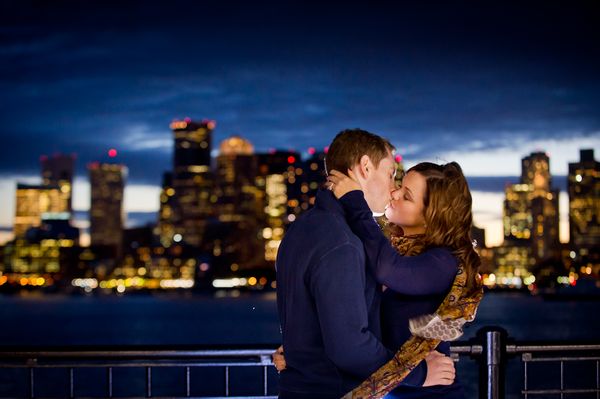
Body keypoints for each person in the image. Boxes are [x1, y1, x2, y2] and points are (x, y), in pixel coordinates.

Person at [275, 129, 456, 399]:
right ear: (365, 167)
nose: (393, 187)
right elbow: (350, 346)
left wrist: (297, 352)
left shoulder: (300, 230)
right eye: (390, 173)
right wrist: (418, 374)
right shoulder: (342, 242)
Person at [327, 161, 483, 398]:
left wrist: (354, 200)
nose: (394, 192)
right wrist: (304, 349)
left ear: (430, 217)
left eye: (407, 196)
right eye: (399, 185)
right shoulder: (393, 251)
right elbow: (351, 320)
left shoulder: (443, 262)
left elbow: (388, 268)